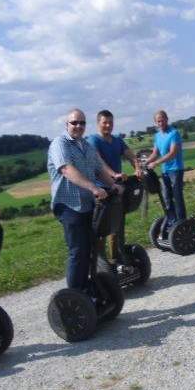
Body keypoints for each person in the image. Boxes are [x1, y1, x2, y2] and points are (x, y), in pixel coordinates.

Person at [48, 109, 124, 290]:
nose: (78, 126)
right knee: (78, 251)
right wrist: (94, 188)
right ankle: (76, 296)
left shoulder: (86, 145)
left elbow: (99, 169)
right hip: (68, 205)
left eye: (82, 123)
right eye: (74, 123)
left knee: (91, 249)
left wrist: (112, 185)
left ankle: (89, 288)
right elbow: (66, 169)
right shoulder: (60, 144)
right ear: (67, 125)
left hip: (88, 205)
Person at [86, 109, 142, 262]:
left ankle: (118, 259)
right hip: (101, 190)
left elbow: (130, 155)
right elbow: (99, 163)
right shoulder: (93, 140)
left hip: (118, 189)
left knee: (118, 226)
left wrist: (137, 167)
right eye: (105, 122)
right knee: (102, 228)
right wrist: (114, 174)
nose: (108, 125)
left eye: (110, 122)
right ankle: (101, 265)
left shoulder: (117, 140)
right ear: (98, 124)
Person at [146, 110, 187, 231]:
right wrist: (145, 163)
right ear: (155, 123)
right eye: (158, 121)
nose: (161, 122)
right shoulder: (157, 136)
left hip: (176, 169)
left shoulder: (174, 133)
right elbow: (155, 153)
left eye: (162, 120)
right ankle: (171, 222)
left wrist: (156, 163)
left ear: (167, 119)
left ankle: (182, 224)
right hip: (165, 171)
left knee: (177, 197)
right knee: (166, 198)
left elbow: (173, 153)